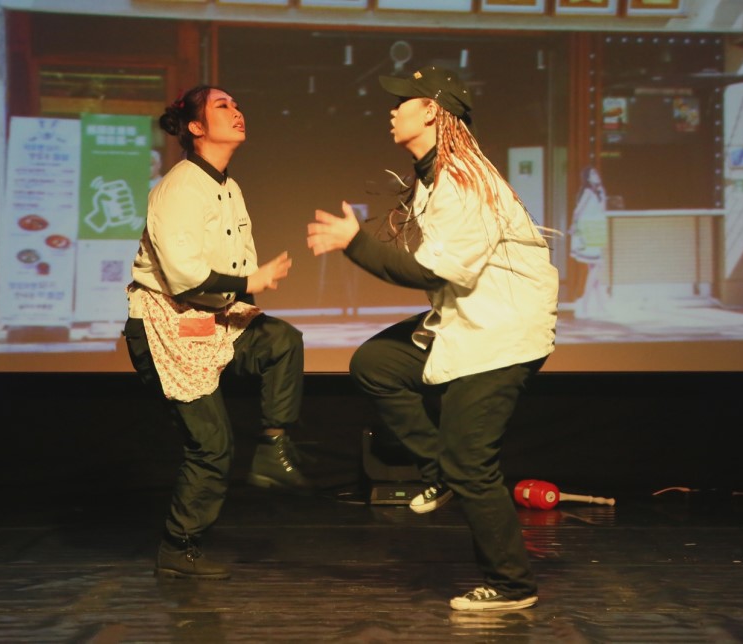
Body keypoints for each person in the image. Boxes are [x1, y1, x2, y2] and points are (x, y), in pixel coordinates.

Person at [306, 66, 558, 612]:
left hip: (503, 330)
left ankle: (512, 584)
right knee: (377, 364)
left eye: (403, 101)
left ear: (432, 112)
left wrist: (355, 242)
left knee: (472, 461)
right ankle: (437, 471)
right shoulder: (435, 175)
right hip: (469, 319)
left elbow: (432, 271)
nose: (392, 109)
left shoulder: (462, 181)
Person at [124, 84, 312, 580]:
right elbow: (184, 278)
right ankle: (178, 547)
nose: (237, 111)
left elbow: (237, 264)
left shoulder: (229, 186)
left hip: (212, 317)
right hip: (168, 324)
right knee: (211, 446)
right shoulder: (179, 188)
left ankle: (273, 447)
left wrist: (248, 285)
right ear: (196, 127)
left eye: (236, 104)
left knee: (282, 341)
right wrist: (251, 282)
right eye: (222, 106)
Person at [568, 166, 610, 319]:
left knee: (594, 269)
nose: (596, 175)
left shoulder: (599, 192)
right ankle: (586, 305)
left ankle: (600, 307)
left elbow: (602, 211)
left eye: (596, 173)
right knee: (597, 266)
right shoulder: (587, 192)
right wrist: (574, 226)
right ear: (587, 178)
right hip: (588, 230)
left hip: (596, 229)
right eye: (592, 174)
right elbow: (577, 211)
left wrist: (602, 193)